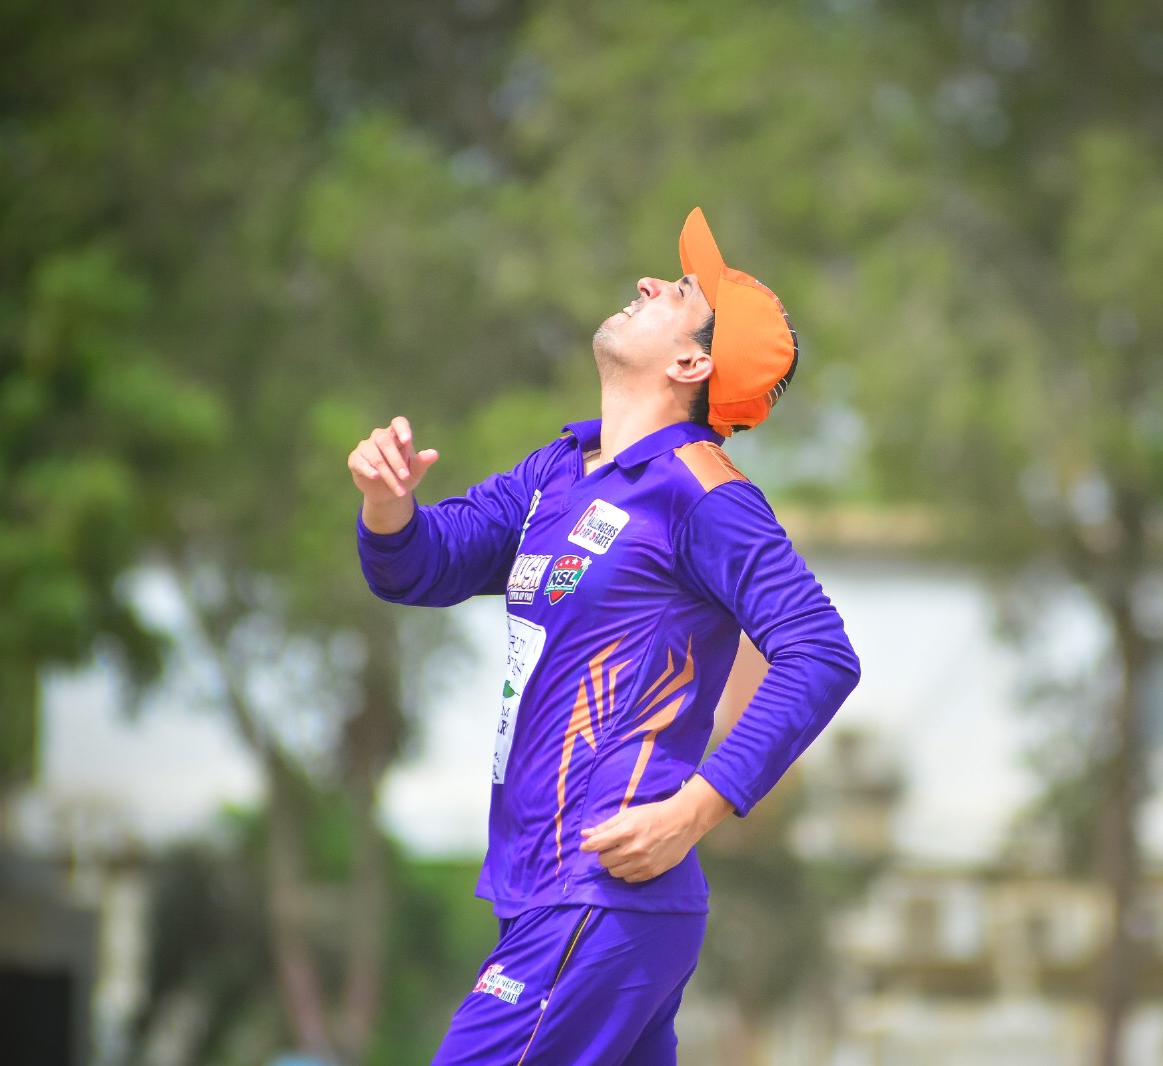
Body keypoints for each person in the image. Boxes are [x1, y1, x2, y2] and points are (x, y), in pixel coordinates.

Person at [348, 207, 861, 1065]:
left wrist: (695, 810)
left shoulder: (704, 492)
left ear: (692, 362)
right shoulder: (558, 470)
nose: (648, 282)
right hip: (549, 893)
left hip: (601, 893)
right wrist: (387, 505)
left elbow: (819, 652)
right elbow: (422, 567)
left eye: (678, 292)